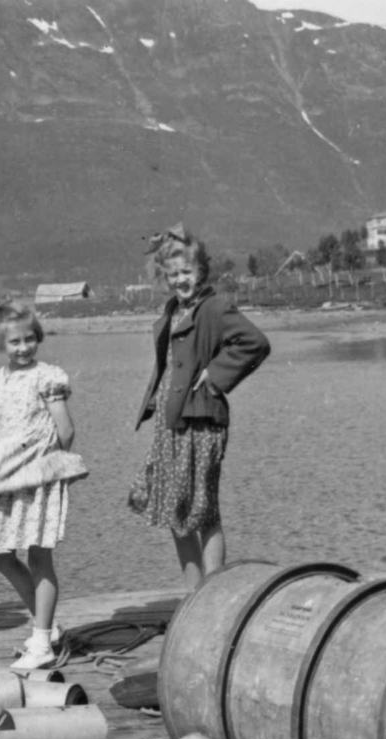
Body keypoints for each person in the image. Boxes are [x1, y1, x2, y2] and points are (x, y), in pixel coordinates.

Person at [129, 224, 271, 591]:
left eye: (187, 272)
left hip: (202, 422)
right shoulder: (174, 310)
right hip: (171, 423)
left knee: (204, 511)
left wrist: (214, 373)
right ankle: (195, 596)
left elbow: (255, 342)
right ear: (165, 277)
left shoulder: (215, 307)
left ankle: (214, 596)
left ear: (201, 270)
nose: (181, 280)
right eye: (173, 274)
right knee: (175, 513)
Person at [0, 300, 87, 670]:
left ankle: (42, 641)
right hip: (4, 474)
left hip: (38, 476)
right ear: (1, 343)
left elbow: (65, 429)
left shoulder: (47, 377)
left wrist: (53, 469)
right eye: (15, 342)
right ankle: (47, 629)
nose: (23, 347)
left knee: (38, 555)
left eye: (29, 339)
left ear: (38, 339)